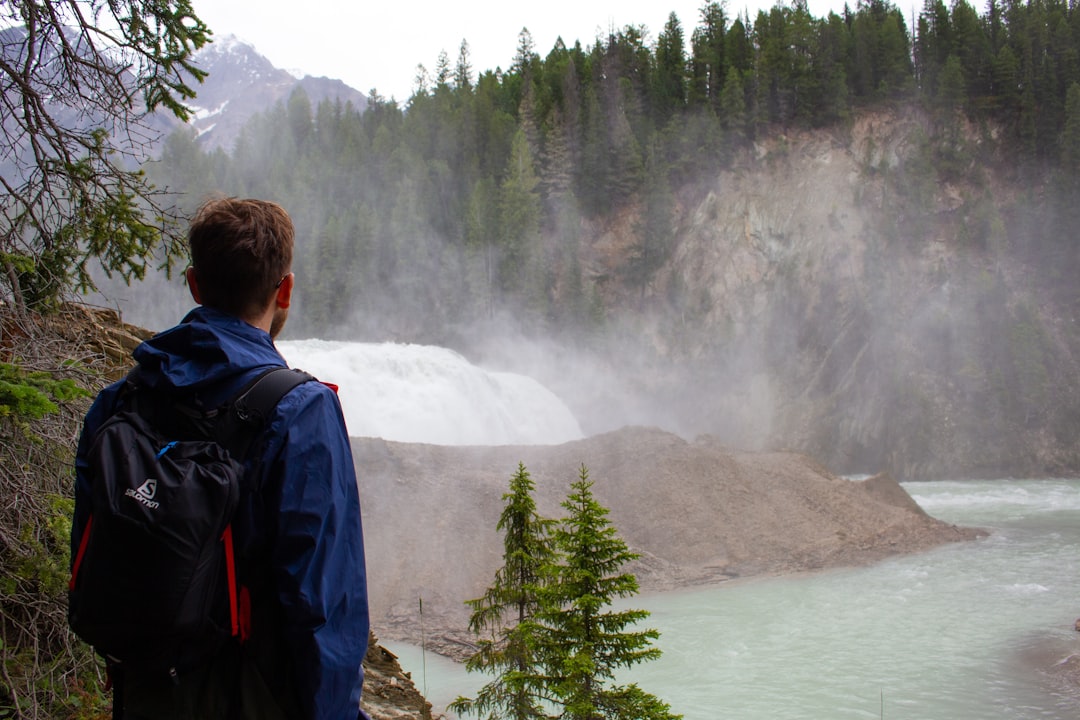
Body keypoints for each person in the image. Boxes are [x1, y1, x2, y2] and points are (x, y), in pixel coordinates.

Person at [72, 197, 370, 719]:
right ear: (285, 291)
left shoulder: (119, 401)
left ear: (193, 284)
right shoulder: (300, 409)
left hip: (145, 692)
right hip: (250, 696)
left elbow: (91, 557)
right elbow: (323, 605)